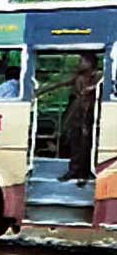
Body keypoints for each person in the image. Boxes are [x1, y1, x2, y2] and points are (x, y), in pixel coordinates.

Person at [36, 52, 100, 185]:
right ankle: (73, 171)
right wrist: (39, 92)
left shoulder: (97, 77)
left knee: (85, 144)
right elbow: (60, 83)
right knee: (75, 143)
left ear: (90, 63)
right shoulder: (79, 77)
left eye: (82, 61)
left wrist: (92, 89)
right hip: (76, 115)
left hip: (88, 115)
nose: (79, 64)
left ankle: (84, 174)